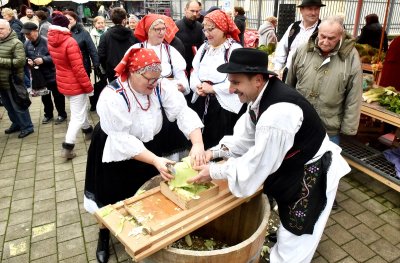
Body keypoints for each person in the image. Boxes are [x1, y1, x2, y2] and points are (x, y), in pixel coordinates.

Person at [189, 48, 351, 263]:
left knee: (296, 235)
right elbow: (246, 138)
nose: (230, 88)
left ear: (257, 79)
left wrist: (216, 171)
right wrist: (214, 152)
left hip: (313, 170)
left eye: (236, 82)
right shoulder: (259, 97)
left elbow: (259, 163)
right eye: (230, 81)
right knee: (288, 222)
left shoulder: (278, 113)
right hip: (295, 163)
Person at [84, 47, 206, 263]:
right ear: (132, 73)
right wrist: (155, 160)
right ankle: (104, 233)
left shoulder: (160, 86)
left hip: (148, 148)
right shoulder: (112, 96)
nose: (154, 84)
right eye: (149, 79)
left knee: (143, 190)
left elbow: (182, 112)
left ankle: (143, 228)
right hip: (114, 146)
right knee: (110, 194)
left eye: (157, 79)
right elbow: (122, 140)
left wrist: (197, 143)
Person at [286, 16, 362, 210]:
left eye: (331, 38)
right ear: (317, 32)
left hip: (330, 122)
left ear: (340, 36)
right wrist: (286, 112)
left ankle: (327, 196)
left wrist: (349, 126)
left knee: (328, 164)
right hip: (301, 121)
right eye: (322, 36)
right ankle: (296, 192)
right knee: (297, 158)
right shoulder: (303, 50)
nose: (325, 41)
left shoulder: (350, 57)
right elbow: (290, 83)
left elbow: (354, 94)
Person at [190, 10, 243, 149]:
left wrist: (213, 89)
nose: (207, 34)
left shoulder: (234, 49)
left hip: (223, 107)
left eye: (211, 29)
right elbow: (194, 70)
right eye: (205, 30)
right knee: (201, 140)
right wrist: (197, 86)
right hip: (202, 103)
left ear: (223, 28)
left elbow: (238, 79)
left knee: (218, 143)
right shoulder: (204, 48)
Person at [47, 14, 94, 159]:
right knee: (77, 117)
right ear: (65, 25)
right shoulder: (70, 42)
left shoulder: (51, 40)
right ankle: (68, 146)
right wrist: (88, 87)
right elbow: (78, 69)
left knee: (79, 110)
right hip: (75, 84)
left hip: (63, 81)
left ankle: (88, 131)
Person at [133, 14, 190, 96]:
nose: (162, 32)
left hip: (167, 98)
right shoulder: (136, 49)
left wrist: (182, 86)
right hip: (143, 98)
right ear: (148, 30)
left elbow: (181, 76)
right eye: (158, 29)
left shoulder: (170, 51)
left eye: (164, 28)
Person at [22, 22, 67, 125]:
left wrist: (43, 59)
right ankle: (48, 114)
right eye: (26, 34)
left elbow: (56, 56)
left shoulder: (47, 41)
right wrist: (28, 61)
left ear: (36, 31)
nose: (27, 36)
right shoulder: (26, 43)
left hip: (52, 73)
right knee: (44, 96)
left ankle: (62, 114)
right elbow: (25, 56)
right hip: (39, 76)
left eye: (29, 33)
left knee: (58, 96)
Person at [273, 0, 325, 81]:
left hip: (310, 77)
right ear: (301, 10)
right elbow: (282, 48)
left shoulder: (323, 28)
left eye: (317, 9)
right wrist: (277, 69)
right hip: (289, 73)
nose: (314, 13)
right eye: (310, 9)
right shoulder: (293, 27)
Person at [0, 19, 34, 138]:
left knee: (19, 106)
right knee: (8, 106)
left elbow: (20, 62)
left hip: (13, 81)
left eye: (1, 29)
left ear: (9, 29)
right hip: (2, 82)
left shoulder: (16, 43)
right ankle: (16, 123)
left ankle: (27, 126)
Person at [65, 11, 100, 111]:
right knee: (75, 90)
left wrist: (96, 64)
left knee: (86, 86)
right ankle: (79, 107)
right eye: (66, 20)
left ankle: (93, 104)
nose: (68, 22)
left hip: (83, 66)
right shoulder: (62, 33)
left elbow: (92, 49)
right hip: (68, 68)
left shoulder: (83, 32)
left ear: (75, 20)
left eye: (70, 19)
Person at [98, 7, 138, 82]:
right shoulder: (133, 35)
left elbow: (101, 55)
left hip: (112, 71)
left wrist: (107, 67)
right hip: (129, 70)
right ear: (124, 20)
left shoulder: (105, 35)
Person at [175, 0, 205, 76]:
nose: (195, 14)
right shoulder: (176, 27)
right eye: (192, 11)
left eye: (197, 11)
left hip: (196, 69)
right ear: (185, 10)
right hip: (180, 69)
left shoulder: (200, 27)